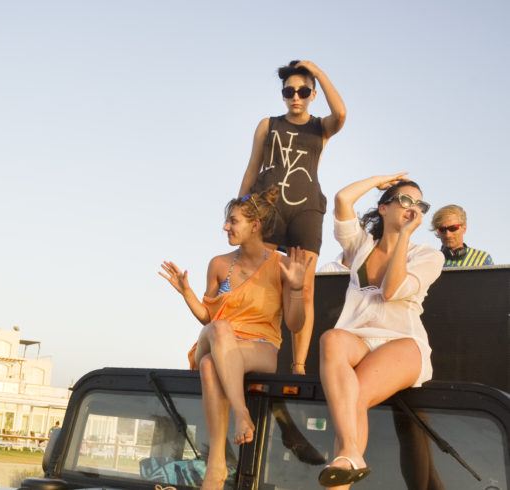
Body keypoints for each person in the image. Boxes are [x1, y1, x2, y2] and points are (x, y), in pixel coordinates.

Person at [159, 187, 309, 490]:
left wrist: (295, 288)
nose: (226, 227)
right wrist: (186, 292)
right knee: (220, 328)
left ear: (255, 225)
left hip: (261, 347)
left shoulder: (280, 265)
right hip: (215, 338)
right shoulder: (218, 264)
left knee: (210, 367)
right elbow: (207, 317)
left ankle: (216, 463)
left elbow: (295, 324)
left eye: (233, 221)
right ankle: (241, 413)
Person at [317, 173, 443, 488]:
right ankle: (351, 454)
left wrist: (402, 237)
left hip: (402, 343)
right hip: (357, 339)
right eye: (404, 200)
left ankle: (347, 456)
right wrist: (381, 180)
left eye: (419, 204)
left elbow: (390, 291)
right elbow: (343, 200)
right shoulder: (361, 247)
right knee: (331, 339)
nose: (412, 208)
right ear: (384, 208)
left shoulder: (428, 256)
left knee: (352, 397)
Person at [238, 60, 346, 376]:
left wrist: (320, 72)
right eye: (289, 91)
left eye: (302, 91)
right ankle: (256, 348)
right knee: (262, 284)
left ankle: (298, 366)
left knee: (304, 288)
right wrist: (240, 211)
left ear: (312, 93)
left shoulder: (320, 127)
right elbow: (251, 168)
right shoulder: (267, 124)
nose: (295, 97)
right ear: (283, 94)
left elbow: (341, 114)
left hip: (305, 209)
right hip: (266, 208)